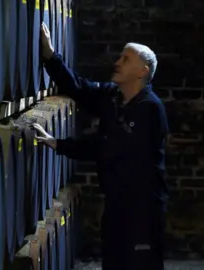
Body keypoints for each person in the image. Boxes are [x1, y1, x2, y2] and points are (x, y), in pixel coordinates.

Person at [33, 23, 169, 270]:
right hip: (117, 201)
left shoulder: (150, 109)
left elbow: (109, 146)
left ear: (142, 71)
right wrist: (51, 57)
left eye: (126, 59)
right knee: (115, 263)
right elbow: (80, 88)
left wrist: (60, 144)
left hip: (143, 208)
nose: (118, 62)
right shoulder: (113, 96)